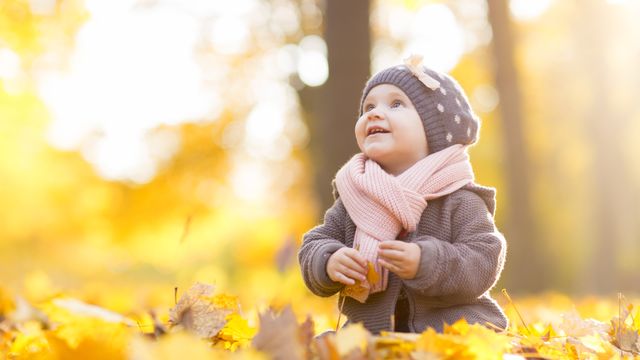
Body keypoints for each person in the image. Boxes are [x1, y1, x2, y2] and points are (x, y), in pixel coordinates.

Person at [297, 55, 508, 334]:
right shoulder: (357, 195)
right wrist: (328, 260)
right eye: (368, 106)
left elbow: (484, 258)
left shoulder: (459, 198)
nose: (374, 113)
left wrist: (428, 261)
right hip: (373, 333)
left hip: (452, 330)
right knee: (323, 346)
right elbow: (316, 240)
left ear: (436, 130)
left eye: (396, 104)